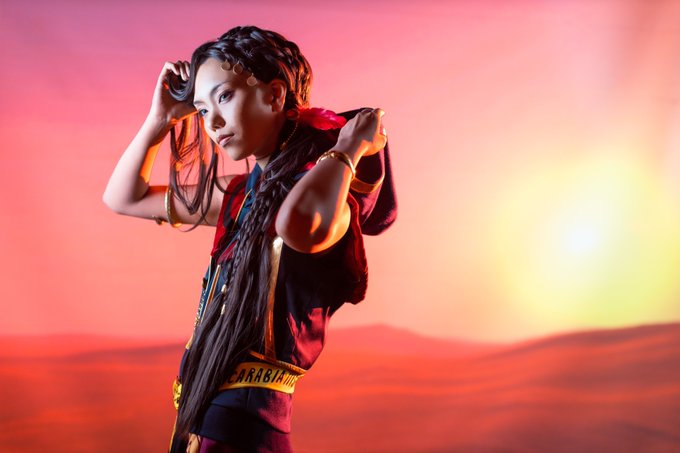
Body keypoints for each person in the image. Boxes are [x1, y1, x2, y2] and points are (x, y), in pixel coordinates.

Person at [103, 25, 396, 453]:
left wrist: (348, 150)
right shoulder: (242, 195)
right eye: (201, 110)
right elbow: (123, 197)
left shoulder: (331, 198)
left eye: (223, 97)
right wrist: (160, 120)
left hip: (247, 432)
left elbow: (298, 226)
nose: (212, 123)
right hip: (199, 423)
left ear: (275, 95)